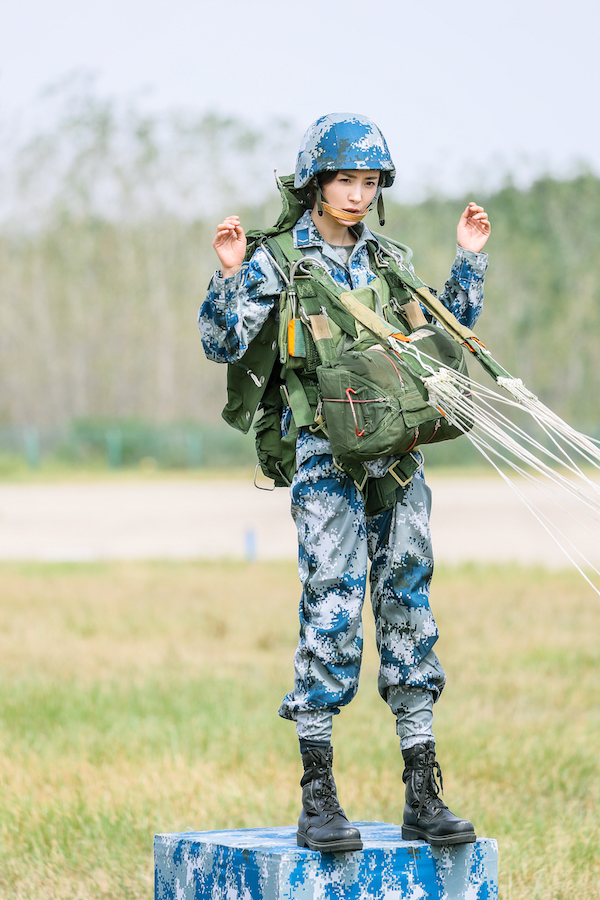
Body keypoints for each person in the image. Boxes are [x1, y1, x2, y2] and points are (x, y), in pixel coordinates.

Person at [199, 113, 491, 853]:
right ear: (315, 183)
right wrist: (230, 275)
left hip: (396, 460)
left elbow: (445, 334)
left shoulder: (389, 258)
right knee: (330, 606)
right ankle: (318, 794)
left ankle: (423, 789)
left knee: (408, 602)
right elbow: (222, 342)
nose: (357, 194)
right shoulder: (279, 261)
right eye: (344, 179)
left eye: (369, 181)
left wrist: (468, 262)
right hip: (324, 457)